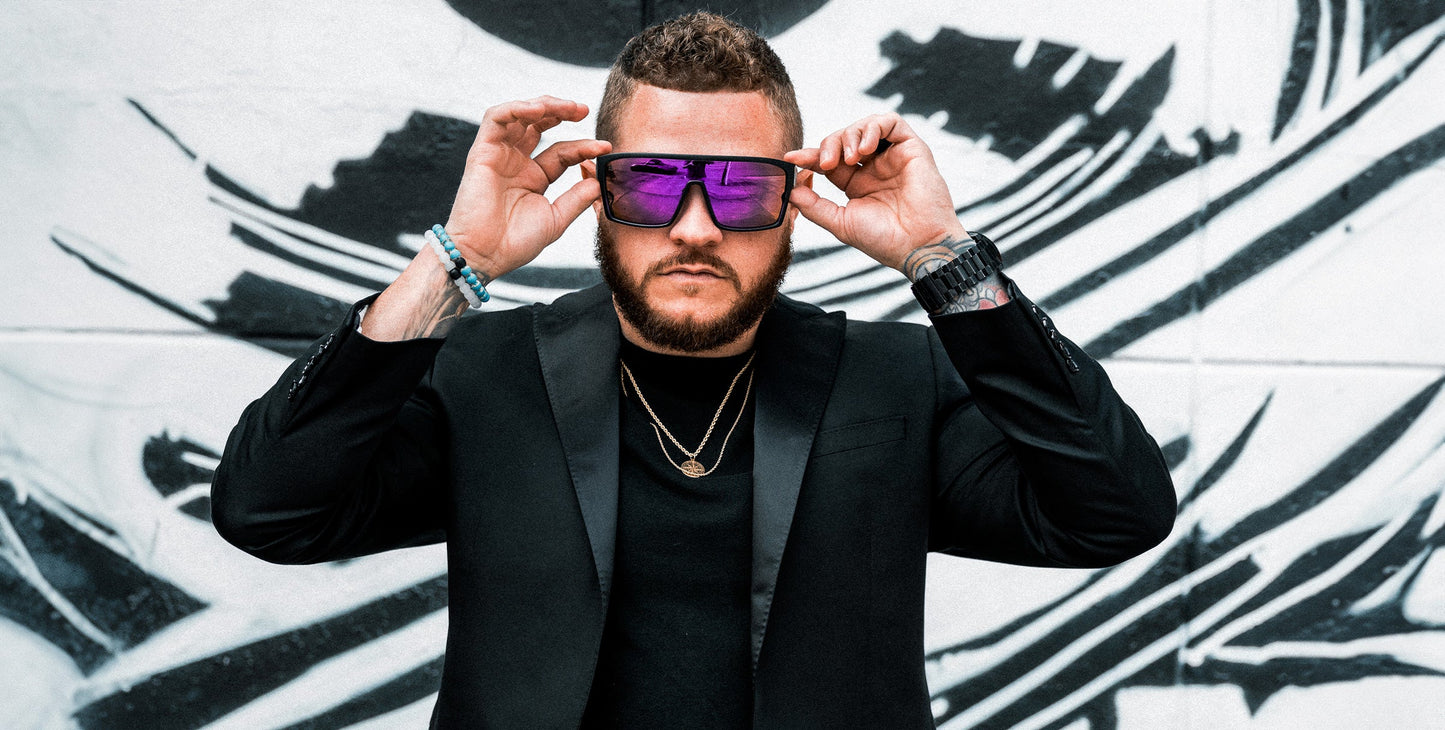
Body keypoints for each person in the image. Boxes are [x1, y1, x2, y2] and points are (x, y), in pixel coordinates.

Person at [211, 12, 1176, 729]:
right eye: (653, 182)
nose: (694, 227)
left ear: (796, 200)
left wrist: (946, 262)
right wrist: (452, 264)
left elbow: (1113, 510)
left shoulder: (895, 381)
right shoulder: (483, 375)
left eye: (741, 189)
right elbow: (268, 509)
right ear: (598, 193)